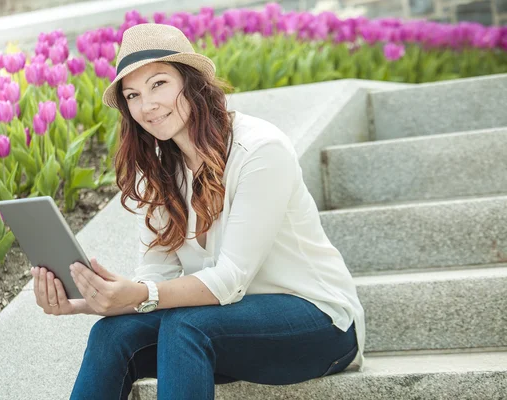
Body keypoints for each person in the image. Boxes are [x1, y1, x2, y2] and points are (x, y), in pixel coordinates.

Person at [31, 23, 365, 400]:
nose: (148, 104)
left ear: (192, 83)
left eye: (159, 84)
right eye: (133, 95)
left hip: (318, 323)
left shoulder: (259, 150)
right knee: (112, 333)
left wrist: (138, 294)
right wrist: (84, 302)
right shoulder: (161, 171)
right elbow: (157, 276)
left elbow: (231, 280)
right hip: (222, 326)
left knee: (187, 324)